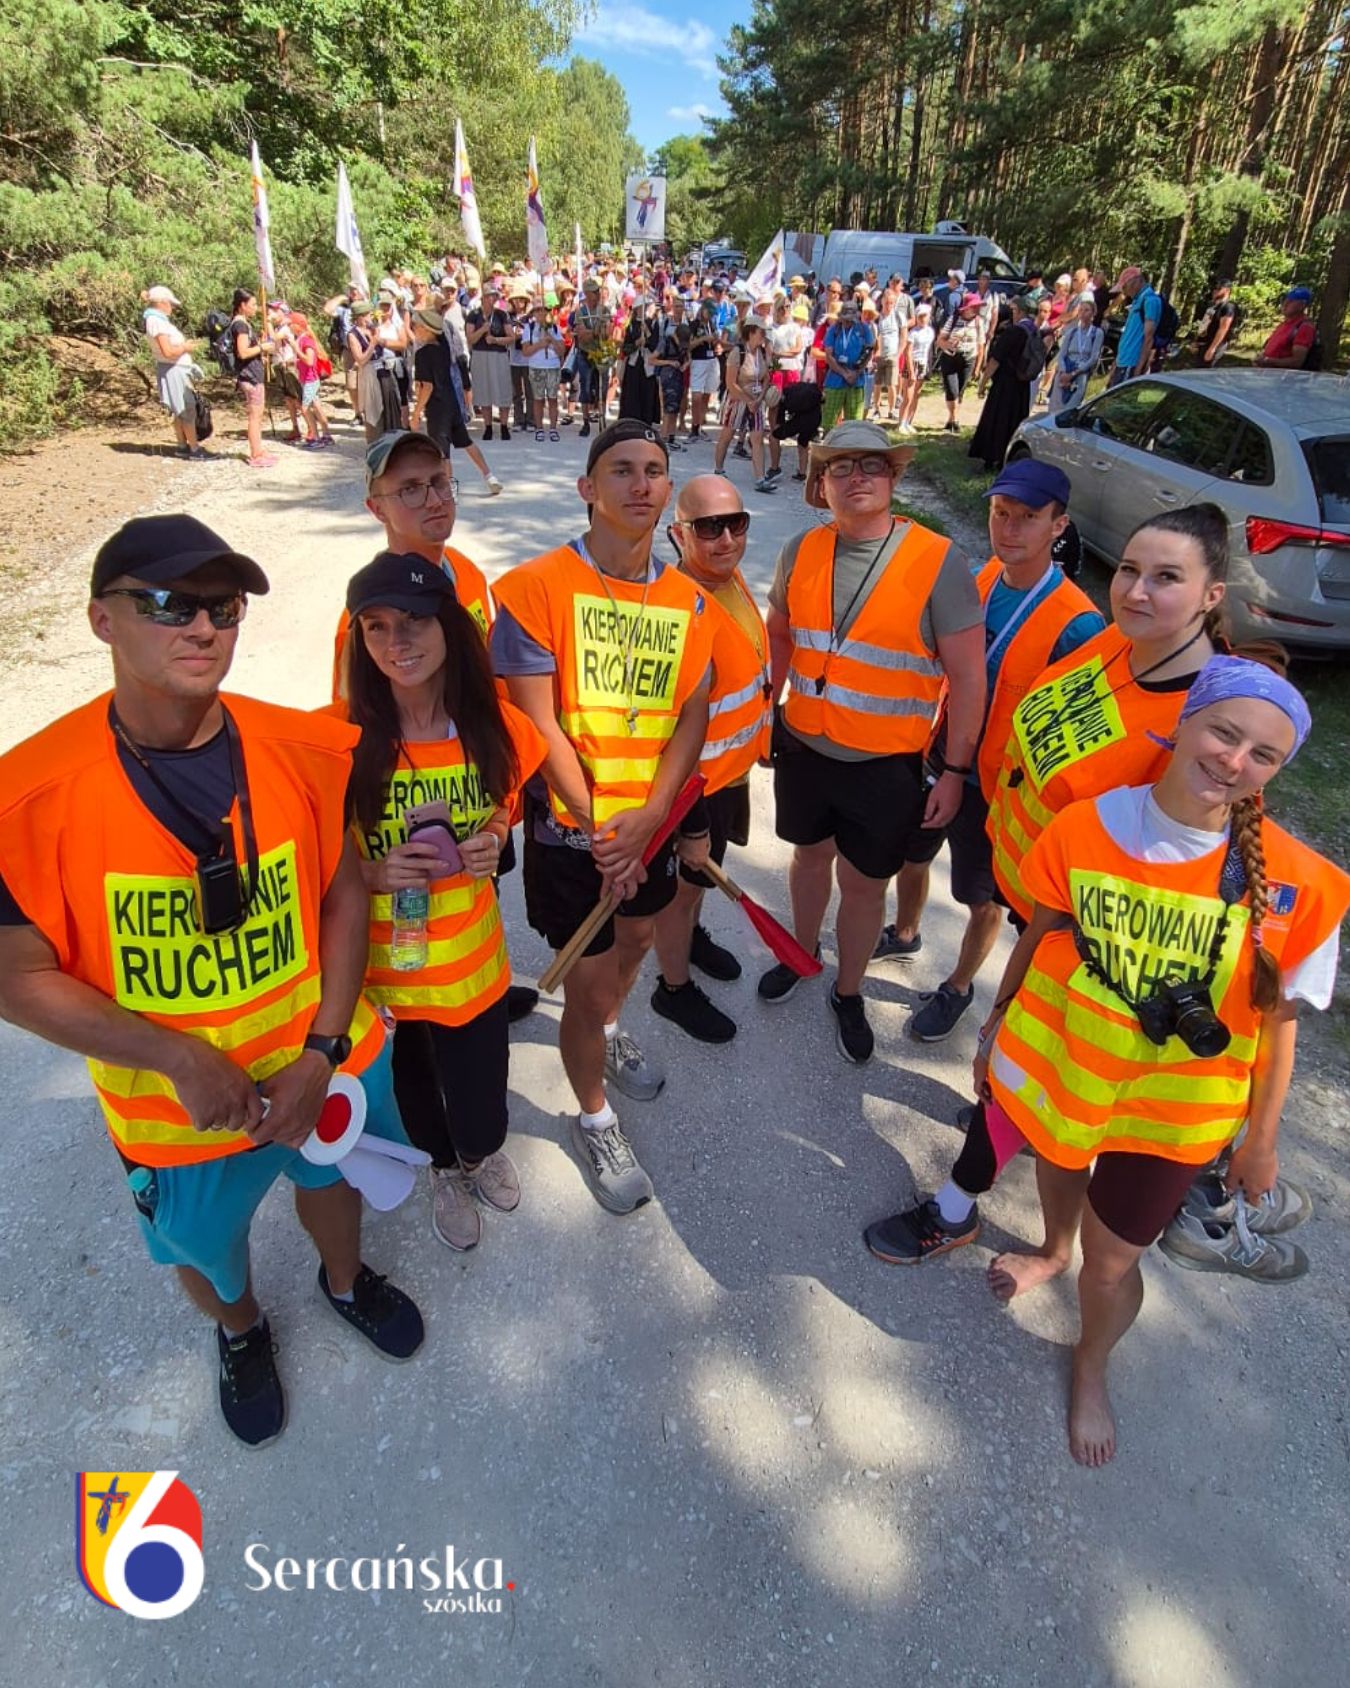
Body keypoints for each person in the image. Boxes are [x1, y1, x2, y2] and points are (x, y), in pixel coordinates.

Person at [0, 515, 424, 1447]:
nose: (201, 627)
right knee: (202, 1244)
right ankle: (241, 1331)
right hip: (179, 1112)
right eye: (166, 603)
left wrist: (322, 1050)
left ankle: (344, 1281)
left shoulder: (307, 751)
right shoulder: (26, 796)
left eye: (222, 607)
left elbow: (342, 894)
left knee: (335, 1180)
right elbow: (17, 977)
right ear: (101, 619)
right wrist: (178, 1059)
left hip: (323, 1067)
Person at [876, 654, 1349, 1467]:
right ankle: (1050, 1249)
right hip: (1064, 1067)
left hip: (1172, 1113)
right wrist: (994, 1031)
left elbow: (1279, 1028)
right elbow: (1039, 935)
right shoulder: (1085, 826)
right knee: (1061, 1180)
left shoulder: (1300, 886)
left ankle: (1091, 1362)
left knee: (1110, 1268)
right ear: (1184, 723)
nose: (1234, 761)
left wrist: (1261, 1143)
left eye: (1263, 755)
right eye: (1224, 732)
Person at [490, 422, 713, 1214]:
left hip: (645, 829)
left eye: (654, 470)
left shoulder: (689, 599)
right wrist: (599, 831)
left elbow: (691, 716)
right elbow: (536, 722)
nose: (640, 483)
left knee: (640, 940)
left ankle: (610, 1031)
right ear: (588, 488)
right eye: (621, 469)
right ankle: (594, 1118)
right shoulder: (535, 589)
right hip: (570, 835)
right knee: (584, 989)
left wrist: (650, 819)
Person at [337, 554, 546, 1251]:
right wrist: (372, 872)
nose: (396, 642)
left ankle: (478, 1157)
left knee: (484, 1114)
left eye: (414, 620)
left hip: (474, 970)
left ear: (450, 627)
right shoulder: (337, 742)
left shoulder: (497, 727)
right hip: (388, 980)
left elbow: (503, 806)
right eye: (375, 626)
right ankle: (443, 1172)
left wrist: (493, 838)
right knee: (417, 1097)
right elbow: (308, 862)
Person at [762, 422, 985, 1062]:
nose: (856, 477)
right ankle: (802, 953)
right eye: (841, 466)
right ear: (821, 481)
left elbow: (969, 679)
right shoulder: (801, 549)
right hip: (805, 748)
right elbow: (780, 634)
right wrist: (767, 711)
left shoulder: (938, 561)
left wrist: (954, 772)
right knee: (808, 859)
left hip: (885, 766)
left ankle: (849, 990)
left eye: (872, 465)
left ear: (894, 477)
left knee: (864, 886)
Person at [874, 461, 1105, 1041]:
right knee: (911, 853)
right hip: (941, 751)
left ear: (1059, 525)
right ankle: (906, 933)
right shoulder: (982, 578)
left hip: (999, 788)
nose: (1009, 528)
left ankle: (958, 987)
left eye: (1028, 517)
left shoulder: (1078, 625)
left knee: (984, 896)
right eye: (1001, 513)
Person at [983, 504, 1230, 929]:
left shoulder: (1205, 721)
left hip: (1061, 918)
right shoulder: (1118, 637)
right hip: (1017, 874)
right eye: (1129, 569)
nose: (1135, 593)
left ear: (1212, 595)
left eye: (1166, 577)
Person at [651, 476, 771, 1043]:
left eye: (735, 524)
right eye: (707, 528)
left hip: (728, 777)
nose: (726, 539)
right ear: (678, 534)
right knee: (681, 891)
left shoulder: (727, 578)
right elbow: (667, 735)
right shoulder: (677, 610)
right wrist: (689, 822)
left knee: (699, 884)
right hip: (693, 792)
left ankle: (691, 940)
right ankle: (673, 988)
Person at [410, 308, 503, 495]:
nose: (414, 330)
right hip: (452, 401)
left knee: (442, 452)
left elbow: (427, 387)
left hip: (437, 408)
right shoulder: (443, 347)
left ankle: (449, 491)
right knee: (466, 442)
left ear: (426, 329)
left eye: (416, 326)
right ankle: (489, 476)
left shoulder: (422, 354)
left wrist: (416, 413)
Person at [968, 297, 1036, 468]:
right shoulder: (1034, 331)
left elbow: (995, 360)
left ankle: (992, 457)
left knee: (998, 420)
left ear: (1019, 311)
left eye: (1014, 310)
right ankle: (1008, 456)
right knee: (1014, 420)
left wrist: (983, 383)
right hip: (1022, 385)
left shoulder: (1013, 332)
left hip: (1005, 384)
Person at [141, 285, 208, 459]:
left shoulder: (156, 320)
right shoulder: (156, 322)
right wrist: (186, 347)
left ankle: (182, 445)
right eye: (170, 303)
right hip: (174, 368)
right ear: (162, 302)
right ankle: (194, 448)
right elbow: (168, 351)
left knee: (180, 409)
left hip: (174, 368)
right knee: (186, 408)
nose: (172, 307)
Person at [714, 320, 776, 493]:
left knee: (757, 437)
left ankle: (760, 478)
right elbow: (730, 383)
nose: (764, 335)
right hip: (737, 400)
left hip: (756, 401)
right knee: (727, 434)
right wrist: (748, 400)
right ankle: (718, 469)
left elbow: (766, 378)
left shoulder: (762, 352)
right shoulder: (737, 352)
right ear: (752, 332)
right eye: (761, 332)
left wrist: (760, 398)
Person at [229, 288, 275, 468]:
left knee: (257, 413)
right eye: (253, 304)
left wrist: (259, 353)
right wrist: (262, 347)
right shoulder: (240, 325)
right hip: (250, 376)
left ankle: (259, 450)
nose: (256, 308)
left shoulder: (242, 324)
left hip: (252, 373)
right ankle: (255, 454)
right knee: (254, 415)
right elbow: (242, 352)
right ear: (242, 305)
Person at [465, 283, 514, 440]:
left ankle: (504, 426)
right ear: (483, 298)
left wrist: (496, 340)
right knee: (483, 389)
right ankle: (488, 426)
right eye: (489, 296)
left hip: (498, 355)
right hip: (480, 354)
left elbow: (511, 337)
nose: (492, 299)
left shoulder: (501, 315)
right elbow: (470, 338)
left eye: (494, 296)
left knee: (503, 388)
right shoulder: (474, 315)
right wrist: (482, 330)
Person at [820, 297, 875, 429]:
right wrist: (844, 374)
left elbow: (868, 352)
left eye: (850, 320)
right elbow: (829, 355)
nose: (847, 322)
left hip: (856, 381)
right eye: (845, 319)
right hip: (835, 380)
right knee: (829, 422)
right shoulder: (833, 329)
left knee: (854, 424)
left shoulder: (864, 329)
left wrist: (856, 372)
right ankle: (829, 441)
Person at [767, 362, 824, 481]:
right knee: (803, 441)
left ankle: (774, 468)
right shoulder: (792, 389)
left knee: (774, 436)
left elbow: (776, 427)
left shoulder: (781, 403)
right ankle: (802, 473)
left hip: (804, 418)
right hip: (816, 415)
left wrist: (776, 429)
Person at [571, 278, 613, 437]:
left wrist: (598, 332)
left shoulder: (604, 310)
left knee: (603, 386)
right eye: (594, 292)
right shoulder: (580, 312)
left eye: (597, 291)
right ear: (587, 294)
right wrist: (595, 332)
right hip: (585, 353)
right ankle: (586, 421)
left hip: (601, 352)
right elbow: (582, 335)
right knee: (586, 387)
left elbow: (607, 333)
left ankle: (602, 419)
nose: (597, 294)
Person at [1106, 267, 1161, 387]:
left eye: (1124, 287)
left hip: (1131, 363)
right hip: (1122, 361)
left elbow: (1148, 338)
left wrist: (1138, 369)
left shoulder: (1150, 301)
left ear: (1134, 282)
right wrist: (1116, 361)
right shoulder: (1137, 301)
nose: (1124, 292)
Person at [1048, 295, 1104, 413]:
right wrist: (1063, 372)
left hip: (1080, 372)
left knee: (1071, 408)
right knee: (1055, 407)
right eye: (1081, 310)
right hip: (1065, 370)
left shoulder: (1097, 333)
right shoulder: (1072, 332)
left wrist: (1074, 373)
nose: (1083, 313)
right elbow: (1062, 354)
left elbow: (1093, 358)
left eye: (1086, 310)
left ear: (1093, 313)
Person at [935, 294, 982, 432]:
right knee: (952, 390)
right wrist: (949, 344)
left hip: (968, 359)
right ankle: (954, 419)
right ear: (966, 308)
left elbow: (981, 345)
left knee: (960, 391)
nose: (976, 309)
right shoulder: (953, 319)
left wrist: (978, 366)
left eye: (977, 306)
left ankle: (952, 420)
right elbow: (940, 340)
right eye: (974, 306)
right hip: (950, 358)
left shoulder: (978, 322)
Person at [288, 310, 334, 450]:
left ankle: (315, 437)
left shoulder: (306, 340)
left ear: (297, 326)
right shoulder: (301, 339)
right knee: (316, 406)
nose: (289, 327)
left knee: (305, 407)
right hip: (306, 378)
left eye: (290, 324)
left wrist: (296, 349)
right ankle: (326, 434)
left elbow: (309, 361)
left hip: (310, 379)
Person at [520, 299, 565, 439]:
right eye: (538, 310)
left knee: (553, 398)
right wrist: (539, 344)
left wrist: (551, 339)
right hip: (536, 366)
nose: (541, 313)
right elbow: (525, 351)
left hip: (552, 366)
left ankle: (553, 428)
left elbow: (561, 350)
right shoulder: (529, 328)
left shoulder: (555, 328)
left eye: (543, 310)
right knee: (538, 399)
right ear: (534, 313)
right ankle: (539, 428)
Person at [651, 296, 691, 452]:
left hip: (678, 376)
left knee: (675, 407)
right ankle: (663, 438)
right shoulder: (665, 342)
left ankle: (671, 437)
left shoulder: (683, 341)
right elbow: (652, 360)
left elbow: (688, 358)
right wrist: (668, 362)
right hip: (667, 376)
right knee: (668, 408)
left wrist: (684, 365)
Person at [266, 299, 305, 442]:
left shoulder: (286, 327)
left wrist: (268, 322)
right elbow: (273, 345)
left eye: (275, 310)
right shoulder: (277, 327)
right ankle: (295, 428)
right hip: (279, 365)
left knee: (298, 398)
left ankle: (311, 428)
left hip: (289, 366)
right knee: (288, 399)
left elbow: (274, 338)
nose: (271, 312)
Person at [1254, 286, 1318, 369]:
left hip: (1283, 375)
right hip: (1268, 372)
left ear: (1302, 305)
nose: (1285, 304)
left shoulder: (1304, 327)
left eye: (1291, 301)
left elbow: (1297, 362)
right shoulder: (1284, 324)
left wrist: (1267, 361)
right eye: (1286, 300)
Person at [686, 296, 720, 441]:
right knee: (697, 395)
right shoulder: (694, 325)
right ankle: (694, 427)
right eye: (709, 312)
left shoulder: (711, 324)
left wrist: (716, 342)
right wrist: (703, 339)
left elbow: (714, 342)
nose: (710, 315)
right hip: (698, 360)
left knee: (707, 393)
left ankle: (700, 424)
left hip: (711, 359)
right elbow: (688, 345)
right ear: (703, 309)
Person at [898, 301, 935, 432]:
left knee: (916, 395)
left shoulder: (930, 331)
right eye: (920, 316)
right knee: (908, 396)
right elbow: (908, 352)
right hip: (912, 363)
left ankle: (909, 421)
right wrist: (911, 371)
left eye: (925, 316)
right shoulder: (913, 333)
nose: (923, 319)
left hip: (923, 363)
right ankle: (901, 422)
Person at [1193, 279, 1240, 367]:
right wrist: (1197, 341)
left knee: (1207, 370)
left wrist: (1212, 348)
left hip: (1215, 345)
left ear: (1227, 290)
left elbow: (1223, 328)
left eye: (1218, 288)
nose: (1214, 291)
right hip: (1203, 344)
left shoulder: (1228, 307)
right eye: (1214, 288)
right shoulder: (1212, 306)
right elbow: (1204, 325)